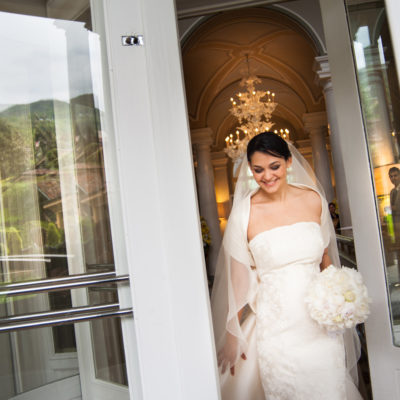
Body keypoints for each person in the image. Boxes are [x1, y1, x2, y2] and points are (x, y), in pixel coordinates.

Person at [211, 132, 362, 400]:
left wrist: (342, 297)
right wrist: (232, 334)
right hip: (277, 328)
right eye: (258, 170)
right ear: (250, 170)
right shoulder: (244, 213)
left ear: (289, 162)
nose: (267, 176)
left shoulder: (313, 199)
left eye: (274, 166)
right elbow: (238, 279)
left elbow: (325, 258)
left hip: (320, 325)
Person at [389, 166, 400, 241]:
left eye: (395, 175)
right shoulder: (392, 192)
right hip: (395, 226)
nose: (393, 178)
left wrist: (393, 208)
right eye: (391, 176)